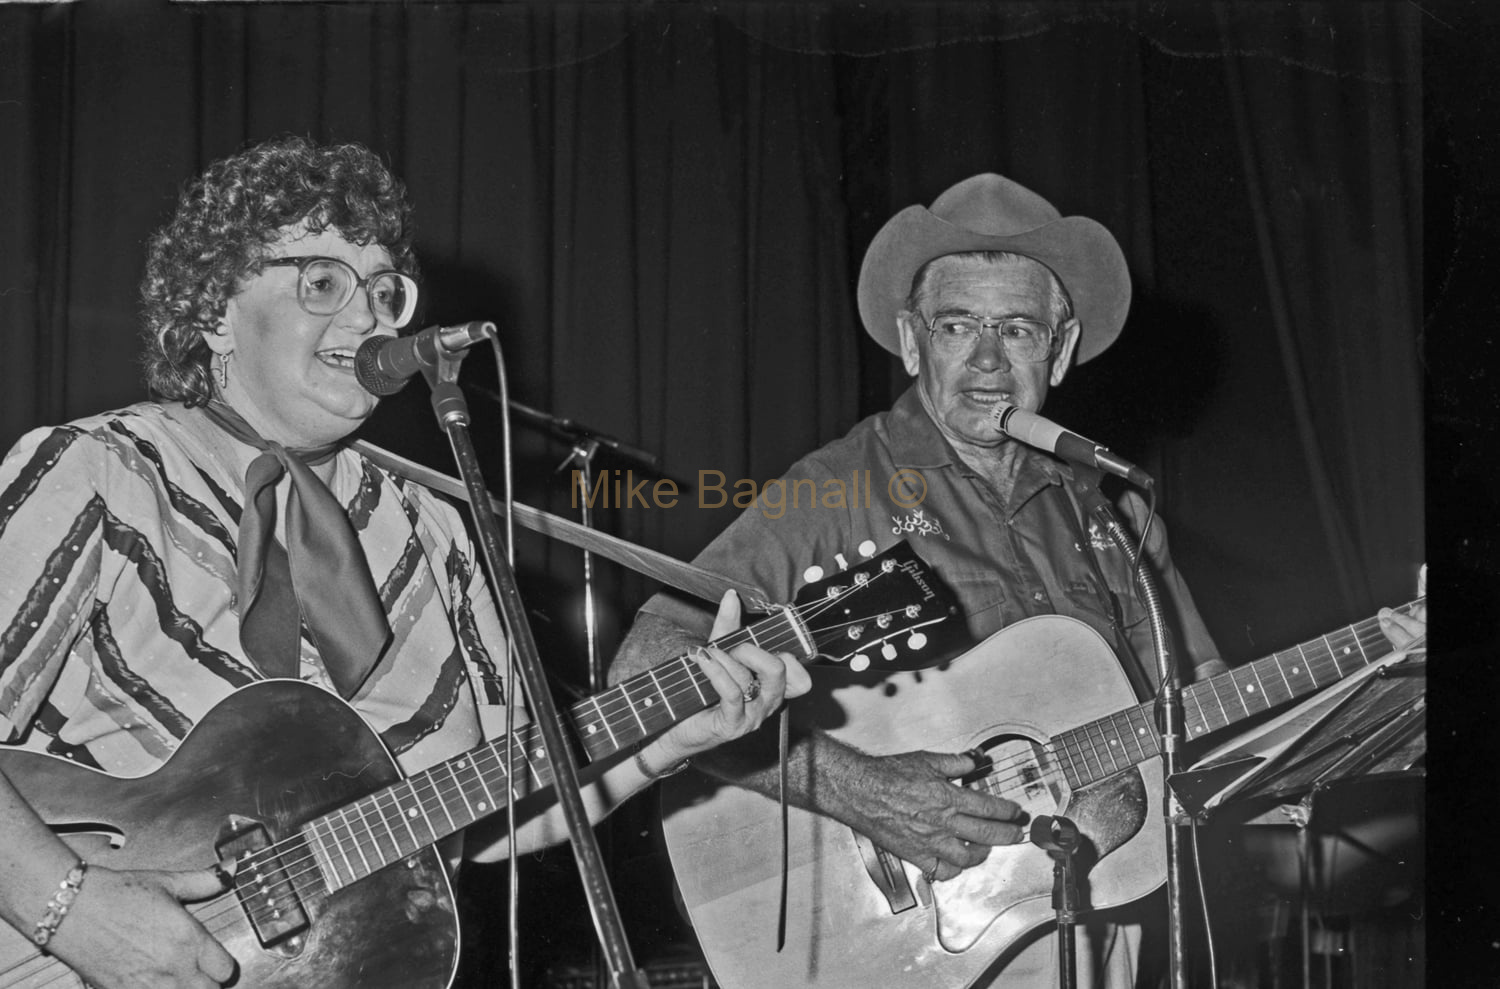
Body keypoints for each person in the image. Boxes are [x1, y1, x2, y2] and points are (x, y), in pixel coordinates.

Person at [0, 136, 808, 989]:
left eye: (386, 291)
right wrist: (68, 908)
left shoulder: (435, 531)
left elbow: (483, 807)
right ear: (212, 310)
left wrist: (658, 744)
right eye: (322, 283)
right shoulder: (99, 471)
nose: (369, 319)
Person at [611, 174, 1425, 986]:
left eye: (1020, 329)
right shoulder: (834, 486)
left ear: (1061, 350)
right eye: (957, 325)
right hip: (895, 942)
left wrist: (1375, 663)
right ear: (910, 339)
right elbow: (646, 667)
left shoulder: (1112, 512)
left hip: (1090, 922)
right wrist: (859, 789)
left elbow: (1201, 699)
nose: (989, 360)